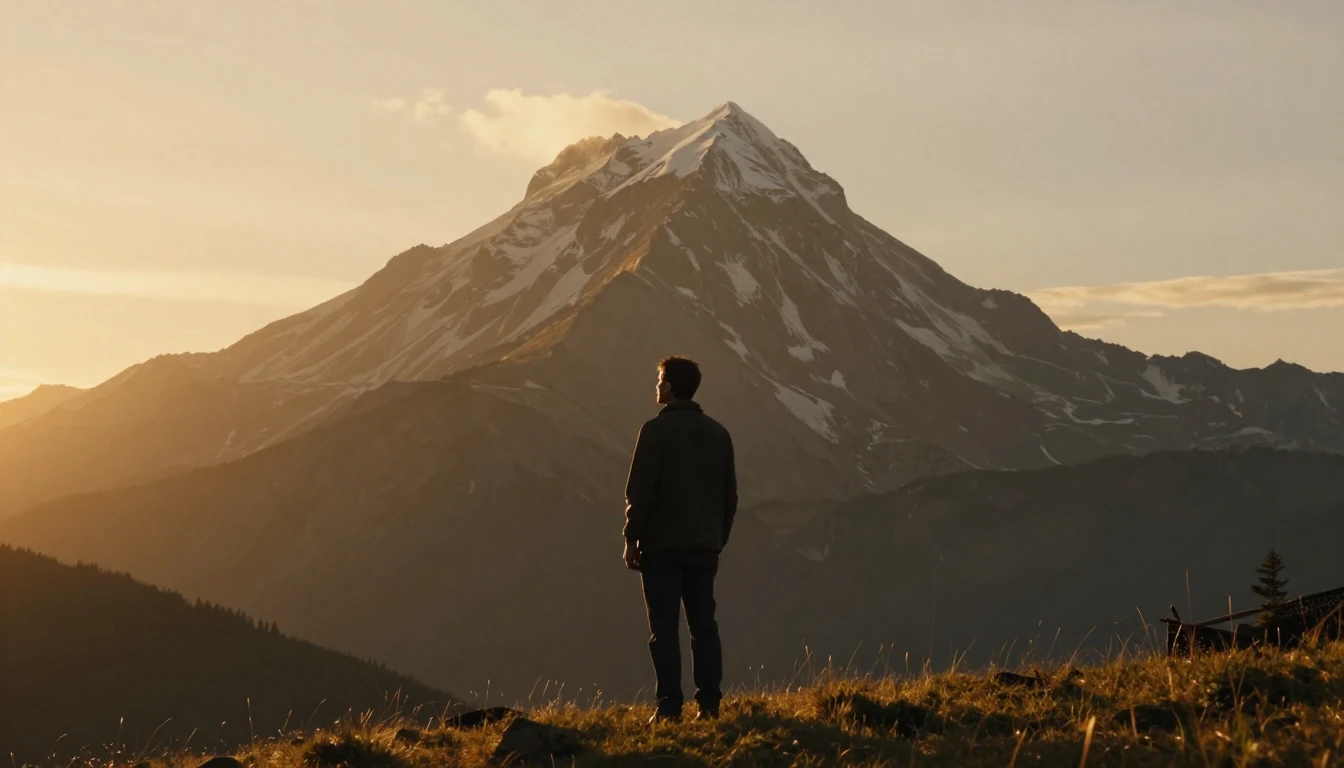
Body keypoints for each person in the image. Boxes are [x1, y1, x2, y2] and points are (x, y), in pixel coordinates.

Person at [623, 355, 738, 724]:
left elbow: (640, 491)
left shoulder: (654, 432)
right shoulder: (719, 433)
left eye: (659, 380)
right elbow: (729, 496)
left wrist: (631, 537)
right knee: (704, 626)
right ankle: (710, 705)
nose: (657, 386)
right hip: (704, 546)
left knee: (664, 630)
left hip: (662, 546)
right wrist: (717, 537)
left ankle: (669, 708)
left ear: (669, 386)